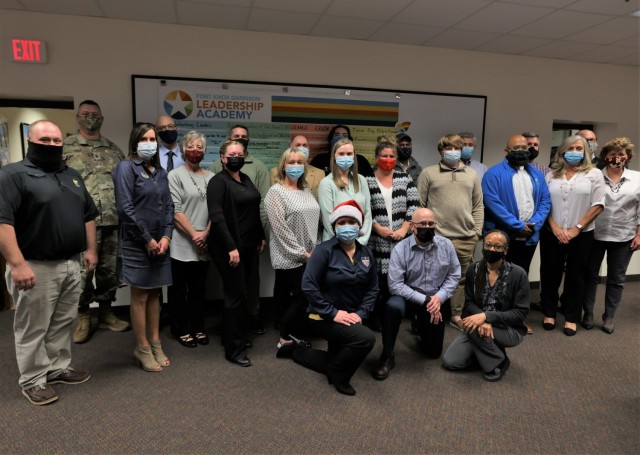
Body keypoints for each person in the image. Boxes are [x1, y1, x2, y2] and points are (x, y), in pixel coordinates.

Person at [0, 120, 97, 405]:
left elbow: (88, 214)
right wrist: (16, 264)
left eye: (57, 141)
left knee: (63, 322)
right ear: (31, 140)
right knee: (33, 327)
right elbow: (3, 222)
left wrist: (91, 250)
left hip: (71, 263)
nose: (52, 145)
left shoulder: (72, 175)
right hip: (34, 265)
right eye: (45, 140)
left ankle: (56, 368)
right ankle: (32, 380)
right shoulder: (13, 175)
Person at [288, 200, 377, 396]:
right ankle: (338, 374)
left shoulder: (366, 253)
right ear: (334, 227)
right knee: (365, 339)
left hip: (352, 317)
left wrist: (361, 314)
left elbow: (373, 289)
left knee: (336, 355)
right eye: (341, 222)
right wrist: (333, 313)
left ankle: (296, 351)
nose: (347, 227)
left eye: (352, 222)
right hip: (322, 317)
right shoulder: (323, 251)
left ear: (359, 225)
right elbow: (308, 286)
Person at [64, 100, 130, 343]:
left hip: (113, 219)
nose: (90, 118)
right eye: (86, 114)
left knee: (108, 272)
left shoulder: (113, 149)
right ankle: (83, 316)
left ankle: (106, 312)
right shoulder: (66, 148)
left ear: (102, 117)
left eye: (95, 114)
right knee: (83, 272)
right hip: (81, 223)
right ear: (77, 117)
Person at [113, 123, 174, 372]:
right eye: (144, 138)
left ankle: (156, 342)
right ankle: (142, 347)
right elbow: (125, 209)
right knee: (140, 295)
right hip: (138, 243)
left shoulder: (160, 172)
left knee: (155, 294)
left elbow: (169, 207)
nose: (150, 143)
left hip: (160, 243)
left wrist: (166, 237)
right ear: (135, 142)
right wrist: (148, 239)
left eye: (153, 139)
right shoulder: (126, 168)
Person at [372, 208, 460, 380]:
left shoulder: (446, 245)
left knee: (432, 353)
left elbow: (454, 275)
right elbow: (395, 285)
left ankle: (420, 324)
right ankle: (387, 355)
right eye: (422, 224)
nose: (427, 227)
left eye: (431, 223)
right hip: (408, 297)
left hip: (434, 299)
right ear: (412, 226)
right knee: (392, 307)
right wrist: (425, 300)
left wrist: (439, 297)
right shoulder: (400, 249)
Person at [207, 140, 266, 367]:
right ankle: (234, 349)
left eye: (240, 154)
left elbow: (253, 208)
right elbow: (217, 217)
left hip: (250, 245)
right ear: (222, 158)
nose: (236, 157)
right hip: (229, 248)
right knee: (236, 296)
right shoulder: (217, 182)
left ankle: (236, 336)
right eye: (232, 154)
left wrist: (260, 235)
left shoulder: (246, 179)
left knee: (245, 293)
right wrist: (231, 247)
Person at [442, 230, 530, 382]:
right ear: (482, 246)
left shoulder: (518, 274)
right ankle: (486, 349)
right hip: (479, 325)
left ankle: (499, 362)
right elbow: (468, 303)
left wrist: (486, 317)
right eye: (488, 245)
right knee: (451, 361)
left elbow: (520, 314)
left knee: (473, 326)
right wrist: (483, 321)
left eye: (497, 247)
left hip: (509, 330)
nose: (492, 250)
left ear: (506, 250)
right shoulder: (473, 270)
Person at [540, 135, 605, 336]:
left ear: (585, 152)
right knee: (550, 273)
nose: (575, 152)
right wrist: (556, 228)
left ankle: (571, 317)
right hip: (553, 233)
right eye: (571, 148)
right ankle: (549, 313)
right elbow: (544, 204)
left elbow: (598, 205)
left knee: (576, 276)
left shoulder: (594, 174)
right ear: (562, 151)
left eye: (579, 148)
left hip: (582, 233)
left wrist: (576, 228)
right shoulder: (551, 175)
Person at [417, 134, 484, 331]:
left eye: (457, 147)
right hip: (435, 237)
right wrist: (423, 234)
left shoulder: (471, 174)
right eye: (448, 148)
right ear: (441, 151)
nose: (453, 152)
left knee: (460, 278)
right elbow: (420, 205)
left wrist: (476, 232)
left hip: (465, 237)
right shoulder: (428, 173)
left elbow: (478, 205)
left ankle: (455, 315)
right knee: (429, 277)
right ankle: (428, 313)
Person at [265, 147, 320, 352]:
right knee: (302, 296)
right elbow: (280, 229)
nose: (295, 166)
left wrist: (314, 251)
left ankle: (288, 327)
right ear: (283, 166)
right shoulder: (275, 192)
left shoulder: (306, 191)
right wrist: (302, 253)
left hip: (309, 254)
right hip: (289, 255)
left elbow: (315, 221)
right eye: (291, 162)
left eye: (299, 163)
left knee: (293, 295)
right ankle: (284, 338)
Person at [583, 137, 640, 334]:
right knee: (590, 276)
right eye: (612, 155)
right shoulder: (594, 176)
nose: (617, 158)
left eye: (621, 155)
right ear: (605, 157)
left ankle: (609, 316)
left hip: (624, 235)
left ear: (628, 157)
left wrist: (639, 234)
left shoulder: (637, 178)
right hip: (595, 233)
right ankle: (588, 312)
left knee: (616, 278)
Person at [167, 130, 214, 348]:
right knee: (179, 289)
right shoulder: (174, 175)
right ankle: (180, 329)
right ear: (184, 149)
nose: (195, 151)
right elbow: (176, 212)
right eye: (191, 147)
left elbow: (216, 210)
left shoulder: (211, 176)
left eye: (199, 147)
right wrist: (196, 236)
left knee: (198, 289)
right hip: (182, 240)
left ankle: (197, 327)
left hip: (205, 239)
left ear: (204, 151)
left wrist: (206, 234)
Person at [366, 140, 419, 318]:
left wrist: (404, 229)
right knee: (376, 281)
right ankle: (377, 316)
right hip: (377, 240)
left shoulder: (404, 178)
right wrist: (378, 228)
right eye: (384, 156)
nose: (387, 159)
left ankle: (396, 314)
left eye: (391, 156)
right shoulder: (367, 180)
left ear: (396, 158)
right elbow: (364, 210)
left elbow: (414, 205)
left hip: (401, 239)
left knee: (400, 278)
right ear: (376, 157)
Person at [317, 138, 373, 244]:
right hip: (334, 245)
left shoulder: (361, 180)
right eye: (341, 154)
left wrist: (360, 241)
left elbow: (367, 214)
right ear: (334, 156)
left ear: (354, 156)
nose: (345, 157)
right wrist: (347, 245)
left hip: (360, 244)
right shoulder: (326, 183)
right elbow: (328, 221)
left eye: (349, 154)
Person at [310, 124, 374, 177]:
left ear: (350, 140)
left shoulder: (361, 160)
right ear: (331, 139)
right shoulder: (319, 160)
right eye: (336, 135)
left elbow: (371, 182)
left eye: (344, 135)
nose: (341, 138)